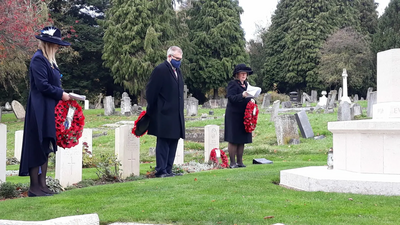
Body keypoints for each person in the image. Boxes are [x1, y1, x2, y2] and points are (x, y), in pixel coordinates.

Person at [19, 26, 71, 197]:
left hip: (49, 109)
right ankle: (34, 186)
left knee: (45, 146)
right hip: (39, 110)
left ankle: (43, 185)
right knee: (37, 146)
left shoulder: (49, 61)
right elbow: (42, 86)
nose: (58, 48)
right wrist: (61, 94)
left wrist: (63, 95)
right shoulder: (38, 60)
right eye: (56, 45)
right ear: (48, 44)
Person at [146, 46, 185, 178]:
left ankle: (168, 169)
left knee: (173, 141)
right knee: (163, 142)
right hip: (163, 113)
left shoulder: (178, 71)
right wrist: (154, 108)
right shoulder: (160, 70)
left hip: (176, 113)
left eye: (180, 59)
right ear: (169, 57)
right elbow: (151, 91)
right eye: (176, 59)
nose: (178, 61)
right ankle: (161, 170)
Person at [224, 64, 254, 168]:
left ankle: (240, 162)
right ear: (237, 74)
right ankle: (232, 163)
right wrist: (242, 95)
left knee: (242, 139)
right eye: (242, 73)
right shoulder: (233, 84)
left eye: (245, 74)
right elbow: (231, 98)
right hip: (234, 115)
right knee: (233, 139)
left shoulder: (247, 85)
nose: (244, 75)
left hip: (244, 115)